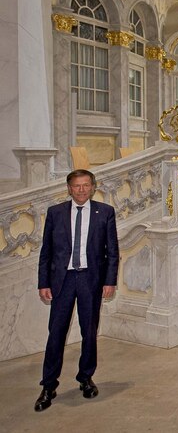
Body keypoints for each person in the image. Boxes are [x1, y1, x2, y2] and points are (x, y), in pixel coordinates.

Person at [35, 170, 119, 412]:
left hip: (90, 280)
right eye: (76, 186)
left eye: (85, 186)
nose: (81, 190)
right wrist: (43, 283)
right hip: (62, 280)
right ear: (69, 188)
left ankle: (85, 377)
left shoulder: (104, 212)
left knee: (89, 331)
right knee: (56, 334)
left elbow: (112, 251)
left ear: (93, 187)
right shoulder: (55, 213)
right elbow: (46, 252)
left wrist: (109, 280)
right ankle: (48, 385)